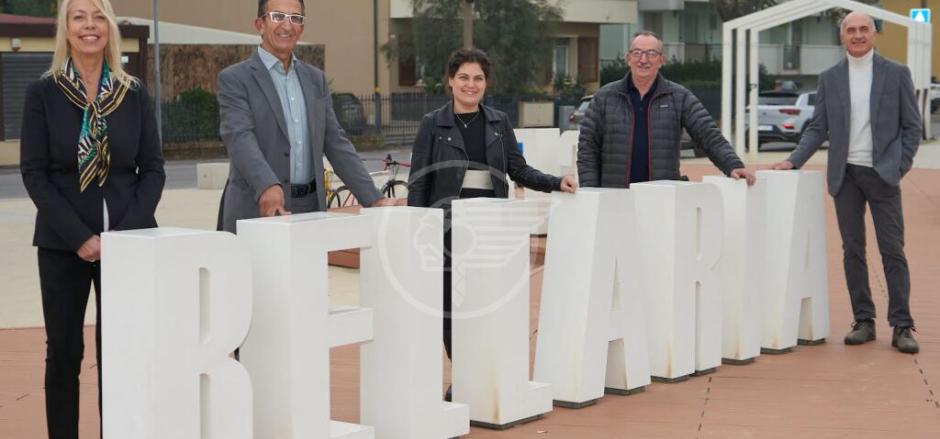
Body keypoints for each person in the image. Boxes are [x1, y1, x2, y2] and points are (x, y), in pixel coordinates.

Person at [19, 0, 166, 439]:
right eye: (79, 17)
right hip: (63, 244)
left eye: (98, 16)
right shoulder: (42, 93)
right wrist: (81, 236)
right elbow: (34, 174)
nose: (89, 26)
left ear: (109, 28)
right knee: (64, 349)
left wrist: (122, 236)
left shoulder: (133, 92)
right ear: (66, 27)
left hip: (127, 244)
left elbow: (154, 171)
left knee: (120, 349)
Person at [407, 48, 577, 398]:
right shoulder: (432, 125)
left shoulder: (498, 122)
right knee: (449, 306)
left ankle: (482, 375)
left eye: (478, 78)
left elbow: (518, 169)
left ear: (486, 84)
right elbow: (419, 180)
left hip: (491, 228)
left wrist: (554, 182)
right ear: (450, 81)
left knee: (486, 304)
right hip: (449, 228)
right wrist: (418, 228)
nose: (471, 85)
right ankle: (464, 372)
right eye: (464, 77)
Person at [771, 12, 921, 354]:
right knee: (852, 250)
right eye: (850, 30)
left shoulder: (896, 73)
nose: (857, 35)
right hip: (845, 176)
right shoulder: (830, 78)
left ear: (874, 34)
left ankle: (902, 324)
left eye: (863, 29)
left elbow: (912, 126)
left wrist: (900, 165)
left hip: (884, 174)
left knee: (892, 250)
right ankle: (863, 320)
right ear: (842, 37)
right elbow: (817, 128)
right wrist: (793, 160)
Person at [217, 0, 393, 232]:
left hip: (311, 210)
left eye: (295, 18)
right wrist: (266, 185)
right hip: (256, 209)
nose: (287, 26)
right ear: (260, 24)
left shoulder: (315, 80)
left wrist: (373, 198)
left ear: (301, 27)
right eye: (278, 16)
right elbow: (239, 138)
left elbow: (336, 143)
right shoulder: (235, 79)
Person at [577, 31, 755, 187]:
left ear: (661, 60)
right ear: (628, 58)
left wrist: (733, 165)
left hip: (662, 199)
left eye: (651, 53)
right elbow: (587, 148)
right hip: (614, 196)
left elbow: (708, 134)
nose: (643, 60)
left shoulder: (679, 97)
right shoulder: (604, 97)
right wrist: (591, 191)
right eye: (637, 53)